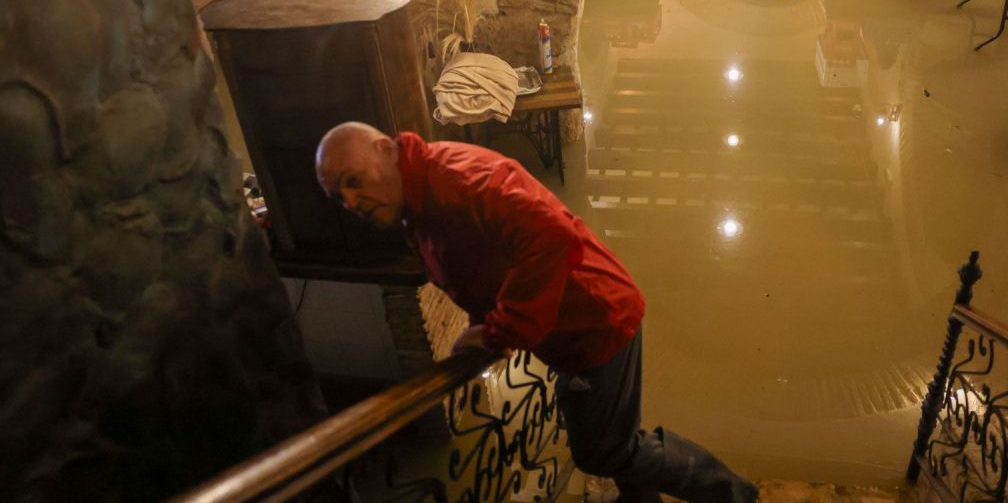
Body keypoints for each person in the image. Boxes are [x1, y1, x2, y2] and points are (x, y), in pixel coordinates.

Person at [315, 122, 757, 503]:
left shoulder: (457, 179)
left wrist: (500, 331)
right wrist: (483, 324)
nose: (351, 201)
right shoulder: (419, 199)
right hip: (569, 327)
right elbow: (483, 261)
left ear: (385, 150)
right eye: (339, 197)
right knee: (614, 435)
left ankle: (733, 495)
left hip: (594, 319)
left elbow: (552, 236)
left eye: (354, 181)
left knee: (604, 452)